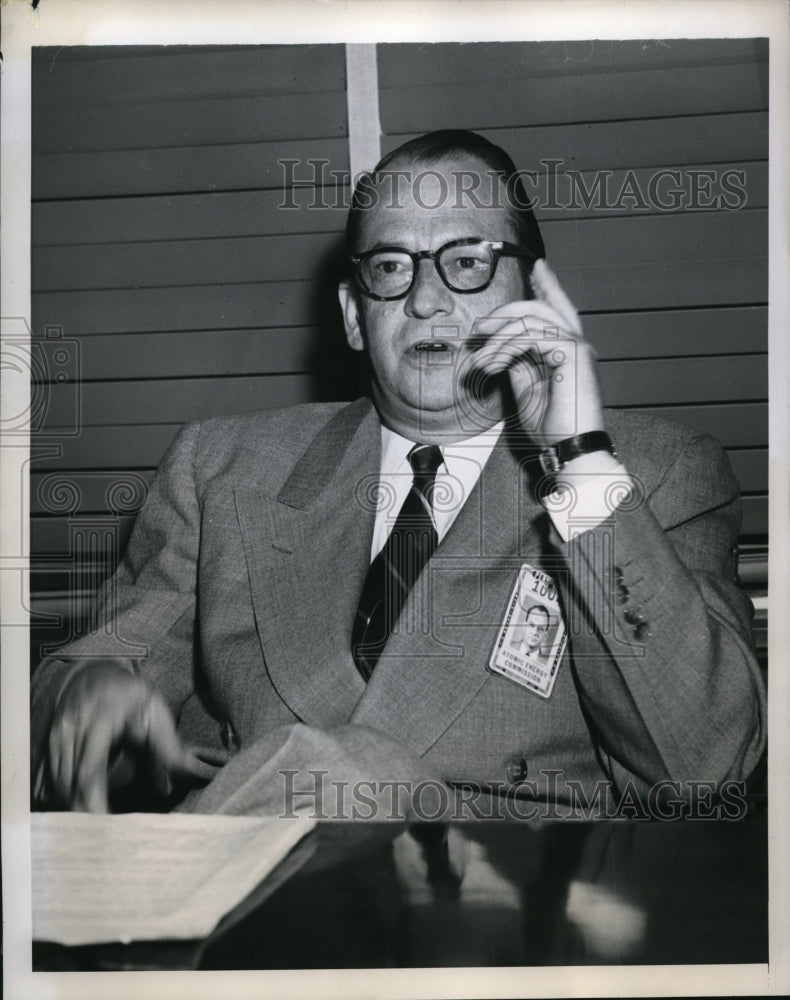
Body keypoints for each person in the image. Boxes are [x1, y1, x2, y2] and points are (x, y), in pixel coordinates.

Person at [31, 130, 766, 815]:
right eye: (391, 267)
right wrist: (84, 693)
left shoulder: (652, 473)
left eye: (467, 261)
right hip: (255, 898)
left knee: (353, 770)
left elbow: (701, 769)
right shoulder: (223, 466)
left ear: (535, 297)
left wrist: (577, 460)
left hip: (504, 916)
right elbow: (93, 673)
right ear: (355, 316)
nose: (426, 299)